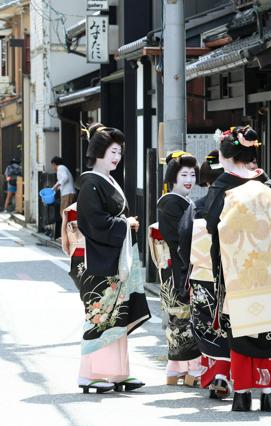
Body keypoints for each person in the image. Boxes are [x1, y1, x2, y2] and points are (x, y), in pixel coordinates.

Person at [205, 126, 271, 412]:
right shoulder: (266, 183)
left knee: (240, 330)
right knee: (265, 329)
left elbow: (210, 224)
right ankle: (268, 393)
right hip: (267, 271)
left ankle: (242, 393)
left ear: (227, 154)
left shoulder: (224, 184)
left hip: (235, 271)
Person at [76, 123, 150, 394]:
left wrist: (125, 224)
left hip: (114, 259)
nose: (117, 157)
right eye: (112, 151)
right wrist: (124, 223)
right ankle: (90, 374)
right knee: (100, 317)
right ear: (98, 152)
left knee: (116, 317)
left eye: (119, 152)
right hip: (101, 262)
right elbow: (93, 223)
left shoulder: (105, 180)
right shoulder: (91, 183)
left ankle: (118, 372)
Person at [179, 149, 230, 399]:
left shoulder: (197, 207)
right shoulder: (237, 204)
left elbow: (184, 242)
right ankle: (227, 374)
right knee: (230, 325)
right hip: (231, 275)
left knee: (206, 325)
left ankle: (212, 375)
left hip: (202, 276)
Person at [156, 152, 203, 386]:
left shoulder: (184, 202)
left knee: (181, 316)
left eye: (193, 174)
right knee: (183, 316)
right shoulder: (169, 202)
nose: (189, 179)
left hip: (179, 263)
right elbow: (178, 239)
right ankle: (193, 369)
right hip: (177, 265)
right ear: (172, 177)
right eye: (183, 174)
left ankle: (175, 369)